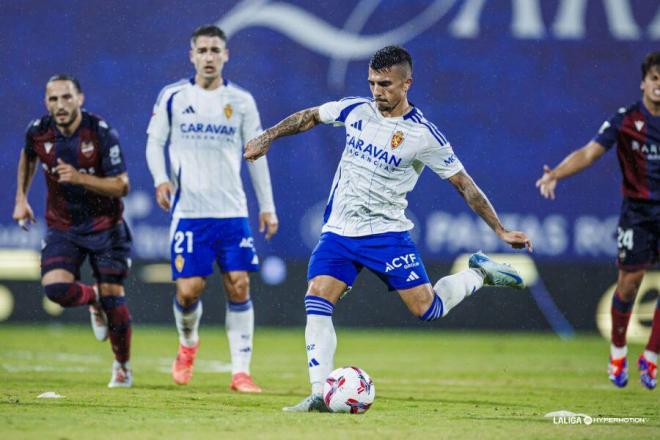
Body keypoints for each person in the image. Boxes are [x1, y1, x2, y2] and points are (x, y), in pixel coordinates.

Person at [245, 45, 532, 411]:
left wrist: (501, 230)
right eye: (372, 83)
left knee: (427, 310)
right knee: (317, 298)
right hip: (339, 231)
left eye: (385, 84)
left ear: (407, 83)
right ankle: (320, 394)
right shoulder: (355, 109)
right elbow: (309, 116)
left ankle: (479, 274)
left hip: (386, 235)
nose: (377, 91)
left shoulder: (424, 135)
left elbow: (465, 184)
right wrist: (267, 137)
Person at [146, 25, 278, 392]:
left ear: (226, 55)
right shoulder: (173, 96)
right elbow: (155, 143)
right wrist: (160, 178)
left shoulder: (242, 101)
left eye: (215, 50)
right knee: (188, 291)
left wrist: (267, 206)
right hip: (189, 212)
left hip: (231, 212)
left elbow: (257, 156)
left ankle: (241, 372)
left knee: (239, 285)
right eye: (201, 50)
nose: (208, 56)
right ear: (192, 56)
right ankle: (188, 344)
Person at [536, 52, 660, 391]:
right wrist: (556, 174)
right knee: (629, 283)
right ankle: (618, 351)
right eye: (655, 78)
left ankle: (650, 358)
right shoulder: (625, 119)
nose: (659, 85)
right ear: (644, 82)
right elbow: (590, 152)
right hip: (638, 214)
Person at [12, 74, 133, 388]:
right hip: (63, 228)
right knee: (55, 289)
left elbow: (122, 186)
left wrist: (81, 178)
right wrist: (21, 198)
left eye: (66, 97)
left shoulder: (100, 132)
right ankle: (94, 299)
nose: (60, 105)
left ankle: (122, 367)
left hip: (107, 228)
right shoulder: (38, 131)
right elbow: (28, 156)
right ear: (46, 103)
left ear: (80, 98)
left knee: (116, 303)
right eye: (53, 99)